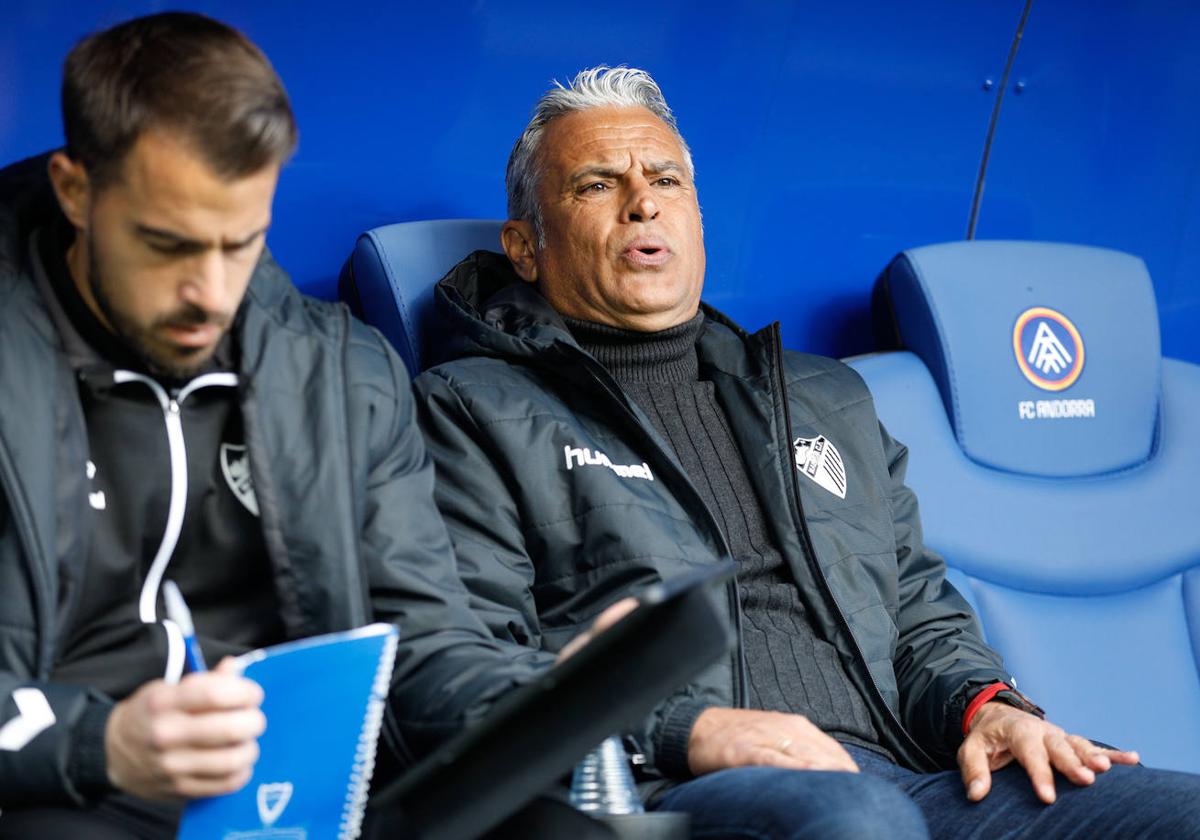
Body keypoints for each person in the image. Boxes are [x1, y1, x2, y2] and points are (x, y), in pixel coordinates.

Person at [411, 65, 1200, 838]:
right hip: (670, 788)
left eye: (667, 181)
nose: (643, 203)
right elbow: (466, 669)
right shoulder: (472, 408)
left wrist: (986, 708)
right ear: (523, 246)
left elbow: (920, 617)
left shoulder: (824, 398)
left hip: (905, 775)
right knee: (858, 819)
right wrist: (691, 729)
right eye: (596, 185)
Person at [0, 13, 547, 837]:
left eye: (240, 243)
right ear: (77, 191)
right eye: (167, 246)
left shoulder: (345, 377)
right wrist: (95, 745)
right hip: (63, 793)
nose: (209, 293)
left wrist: (544, 697)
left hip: (298, 796)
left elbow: (425, 644)